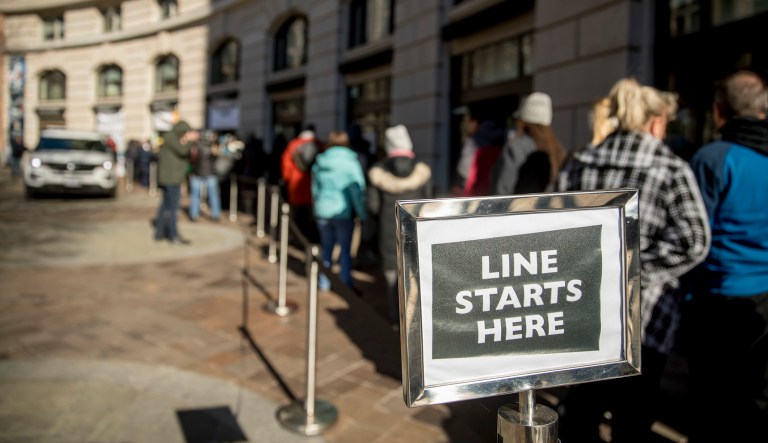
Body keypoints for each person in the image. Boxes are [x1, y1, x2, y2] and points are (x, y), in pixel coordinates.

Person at [556, 78, 710, 442]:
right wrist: (634, 272)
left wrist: (598, 271)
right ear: (656, 122)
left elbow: (555, 230)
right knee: (633, 418)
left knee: (582, 411)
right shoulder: (669, 168)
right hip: (643, 320)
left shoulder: (580, 161)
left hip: (585, 311)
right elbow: (694, 241)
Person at [683, 70, 768, 442]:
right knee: (756, 395)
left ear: (719, 111)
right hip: (764, 299)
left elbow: (694, 235)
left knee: (711, 399)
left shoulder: (713, 157)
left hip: (716, 296)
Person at [367, 125, 432, 328]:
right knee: (415, 274)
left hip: (389, 230)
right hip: (416, 230)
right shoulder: (423, 170)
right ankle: (416, 319)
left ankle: (396, 320)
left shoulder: (378, 172)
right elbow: (429, 203)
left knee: (391, 276)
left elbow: (373, 206)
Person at [311, 130, 367, 291]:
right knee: (345, 248)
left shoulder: (320, 161)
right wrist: (362, 214)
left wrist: (316, 207)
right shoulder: (351, 162)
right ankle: (345, 281)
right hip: (342, 211)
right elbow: (357, 191)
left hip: (322, 210)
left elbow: (315, 189)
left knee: (326, 247)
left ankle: (324, 281)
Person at [490, 92, 566, 195]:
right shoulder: (559, 150)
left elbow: (502, 191)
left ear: (523, 120)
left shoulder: (515, 148)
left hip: (519, 209)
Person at [154, 120, 198, 244]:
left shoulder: (169, 138)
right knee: (173, 208)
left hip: (170, 178)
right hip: (171, 179)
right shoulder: (171, 138)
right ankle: (173, 235)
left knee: (165, 206)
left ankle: (160, 232)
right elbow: (182, 151)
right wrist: (189, 141)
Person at [282, 127, 321, 243]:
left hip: (296, 185)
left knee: (298, 215)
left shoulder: (293, 145)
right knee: (312, 216)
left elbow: (286, 168)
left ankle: (299, 237)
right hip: (314, 186)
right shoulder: (319, 145)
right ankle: (311, 239)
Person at [462, 118, 504, 196]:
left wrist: (467, 192)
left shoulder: (479, 150)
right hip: (494, 192)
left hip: (480, 193)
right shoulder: (500, 151)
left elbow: (472, 175)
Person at [187, 130, 221, 222]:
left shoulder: (195, 146)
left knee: (195, 195)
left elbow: (191, 159)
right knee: (213, 195)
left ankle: (194, 214)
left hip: (197, 173)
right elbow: (217, 160)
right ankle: (216, 214)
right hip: (210, 173)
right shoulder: (213, 146)